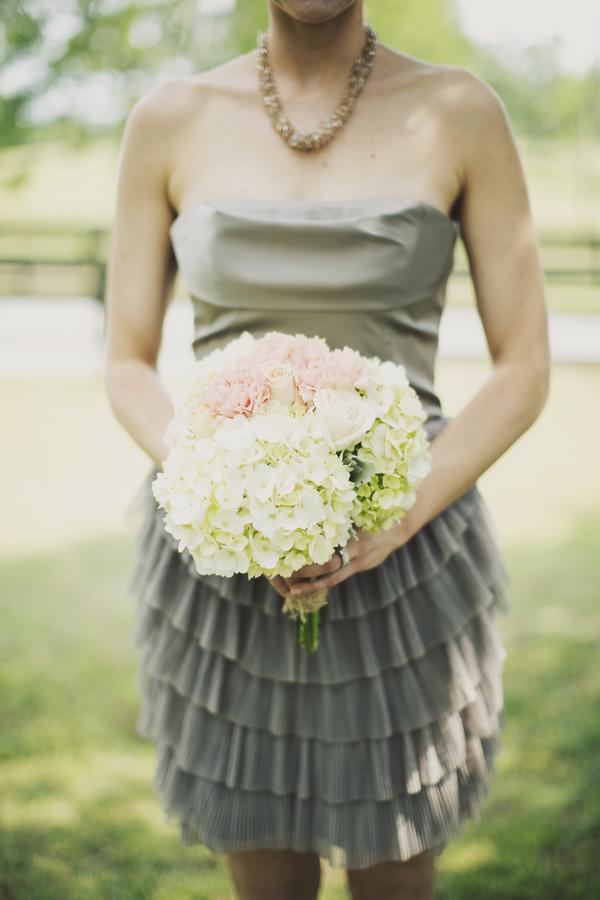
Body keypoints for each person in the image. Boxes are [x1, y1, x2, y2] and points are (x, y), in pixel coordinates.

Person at [103, 1, 550, 897]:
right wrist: (214, 488)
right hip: (225, 572)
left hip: (410, 553)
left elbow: (523, 367)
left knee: (394, 869)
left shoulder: (462, 110)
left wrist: (396, 516)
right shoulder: (169, 118)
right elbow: (125, 362)